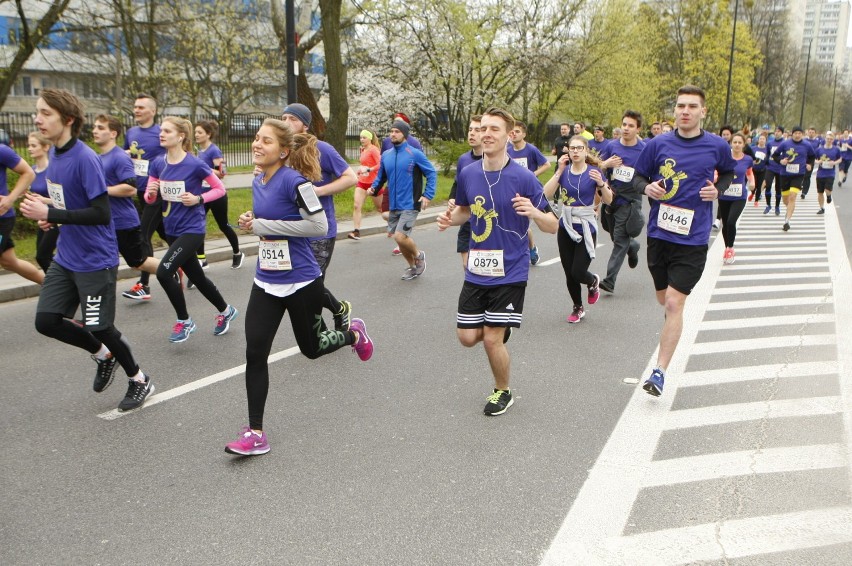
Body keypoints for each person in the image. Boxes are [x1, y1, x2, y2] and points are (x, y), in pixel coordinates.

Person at [224, 119, 373, 456]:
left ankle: (353, 334)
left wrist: (263, 224)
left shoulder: (297, 183)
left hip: (302, 280)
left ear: (283, 151)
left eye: (265, 141)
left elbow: (317, 225)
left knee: (311, 348)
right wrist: (251, 220)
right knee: (255, 352)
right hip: (266, 279)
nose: (257, 145)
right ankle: (256, 432)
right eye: (256, 139)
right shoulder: (258, 178)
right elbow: (269, 216)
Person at [20, 88, 153, 411]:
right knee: (47, 321)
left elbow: (100, 213)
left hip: (95, 259)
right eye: (38, 112)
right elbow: (70, 203)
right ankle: (103, 354)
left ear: (67, 120)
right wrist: (49, 212)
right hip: (67, 257)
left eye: (46, 113)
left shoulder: (85, 158)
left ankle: (139, 379)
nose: (38, 119)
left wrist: (51, 213)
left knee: (99, 325)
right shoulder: (54, 155)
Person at [437, 106, 558, 415]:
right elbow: (465, 211)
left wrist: (533, 213)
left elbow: (552, 224)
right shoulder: (469, 173)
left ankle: (502, 391)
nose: (487, 134)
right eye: (483, 128)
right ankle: (504, 327)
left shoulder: (524, 178)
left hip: (511, 269)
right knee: (467, 338)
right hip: (477, 267)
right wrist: (450, 219)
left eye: (495, 129)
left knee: (491, 340)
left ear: (508, 136)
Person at [632, 85, 736, 397]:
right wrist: (646, 188)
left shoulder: (716, 146)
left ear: (703, 112)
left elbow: (730, 175)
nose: (685, 111)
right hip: (659, 235)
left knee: (675, 302)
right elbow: (638, 177)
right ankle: (671, 323)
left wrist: (717, 190)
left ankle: (659, 372)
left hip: (693, 238)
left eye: (692, 106)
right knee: (664, 300)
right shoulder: (658, 144)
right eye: (680, 106)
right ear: (674, 111)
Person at [143, 117, 238, 343]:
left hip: (192, 229)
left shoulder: (195, 164)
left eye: (167, 131)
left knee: (165, 271)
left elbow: (219, 189)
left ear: (180, 136)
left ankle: (185, 321)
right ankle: (226, 311)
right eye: (161, 130)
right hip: (172, 228)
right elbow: (149, 198)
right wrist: (152, 192)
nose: (161, 134)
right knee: (198, 277)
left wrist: (198, 199)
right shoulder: (158, 163)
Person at [281, 103, 358, 330]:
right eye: (283, 117)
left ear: (305, 125)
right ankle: (337, 311)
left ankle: (321, 328)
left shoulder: (321, 149)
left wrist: (318, 191)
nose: (285, 122)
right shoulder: (280, 151)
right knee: (300, 283)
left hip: (319, 230)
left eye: (292, 119)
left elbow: (350, 177)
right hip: (291, 229)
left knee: (311, 284)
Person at [543, 135, 610, 323]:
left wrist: (601, 184)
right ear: (568, 151)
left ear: (586, 150)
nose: (575, 151)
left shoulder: (594, 172)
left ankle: (592, 281)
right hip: (566, 225)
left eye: (579, 148)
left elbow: (608, 199)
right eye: (572, 148)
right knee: (568, 272)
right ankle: (577, 307)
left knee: (578, 271)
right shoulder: (563, 171)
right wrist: (559, 171)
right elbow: (545, 194)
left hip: (586, 226)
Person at [92, 115, 160, 279]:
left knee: (138, 262)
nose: (95, 131)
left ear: (113, 133)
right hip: (105, 221)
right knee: (102, 261)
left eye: (101, 128)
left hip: (123, 222)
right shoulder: (98, 158)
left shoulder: (119, 157)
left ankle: (169, 270)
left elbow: (130, 188)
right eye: (94, 127)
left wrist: (101, 190)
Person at [371, 119, 437, 281]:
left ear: (405, 135)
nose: (393, 134)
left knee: (400, 236)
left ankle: (418, 255)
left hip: (410, 203)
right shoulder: (386, 155)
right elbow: (381, 176)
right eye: (391, 131)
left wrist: (428, 195)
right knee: (399, 240)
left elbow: (431, 173)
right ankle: (413, 267)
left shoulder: (414, 153)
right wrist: (374, 188)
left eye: (397, 132)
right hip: (394, 204)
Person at [122, 94, 166, 300]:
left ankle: (144, 285)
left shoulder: (160, 133)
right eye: (135, 107)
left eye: (141, 107)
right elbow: (126, 155)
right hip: (138, 191)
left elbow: (176, 157)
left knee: (143, 235)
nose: (136, 110)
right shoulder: (131, 132)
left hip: (155, 192)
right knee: (167, 233)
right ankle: (186, 260)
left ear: (153, 111)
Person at [598, 110, 646, 294]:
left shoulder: (643, 150)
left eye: (631, 126)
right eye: (624, 124)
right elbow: (597, 167)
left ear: (638, 129)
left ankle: (609, 280)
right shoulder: (611, 147)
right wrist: (606, 164)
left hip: (631, 200)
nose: (626, 128)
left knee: (619, 240)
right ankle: (633, 246)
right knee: (611, 231)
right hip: (611, 197)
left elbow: (648, 175)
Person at [194, 119, 245, 270]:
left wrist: (204, 169)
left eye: (199, 132)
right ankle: (202, 259)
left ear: (208, 134)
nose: (196, 135)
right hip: (202, 194)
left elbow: (222, 173)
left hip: (216, 194)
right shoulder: (200, 151)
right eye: (195, 132)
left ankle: (237, 253)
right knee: (198, 225)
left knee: (223, 225)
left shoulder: (214, 150)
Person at [1, 133, 43, 284]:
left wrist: (10, 199)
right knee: (9, 262)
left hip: (1, 218)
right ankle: (55, 289)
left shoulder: (2, 150)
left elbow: (28, 173)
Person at [507, 120, 548, 265]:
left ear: (524, 134)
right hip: (510, 191)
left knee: (523, 225)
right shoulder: (507, 150)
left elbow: (547, 164)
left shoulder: (531, 150)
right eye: (512, 132)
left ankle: (531, 248)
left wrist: (532, 175)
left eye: (517, 131)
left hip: (526, 193)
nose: (514, 134)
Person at [448, 115, 483, 269]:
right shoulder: (463, 159)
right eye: (470, 130)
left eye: (477, 130)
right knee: (467, 266)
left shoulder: (494, 159)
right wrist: (452, 198)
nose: (472, 133)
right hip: (467, 219)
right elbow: (458, 183)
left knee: (483, 270)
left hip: (486, 221)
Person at [771, 126, 816, 232]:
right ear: (792, 134)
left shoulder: (807, 145)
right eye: (795, 133)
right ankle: (789, 209)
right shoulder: (785, 144)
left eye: (799, 133)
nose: (797, 135)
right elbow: (775, 155)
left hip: (799, 174)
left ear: (802, 134)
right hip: (785, 174)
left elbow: (812, 156)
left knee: (792, 196)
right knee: (785, 200)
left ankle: (787, 221)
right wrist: (781, 161)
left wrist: (809, 164)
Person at [719, 133, 754, 264]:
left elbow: (749, 173)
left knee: (731, 222)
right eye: (735, 142)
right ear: (731, 144)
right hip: (724, 195)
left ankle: (730, 248)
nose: (737, 145)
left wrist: (752, 182)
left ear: (744, 145)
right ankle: (726, 246)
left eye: (740, 142)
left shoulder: (748, 159)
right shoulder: (724, 158)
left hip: (739, 196)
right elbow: (717, 172)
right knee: (725, 223)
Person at [27, 131, 59, 274]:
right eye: (29, 145)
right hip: (42, 219)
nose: (29, 148)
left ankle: (61, 285)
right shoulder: (32, 171)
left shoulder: (53, 170)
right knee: (42, 257)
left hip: (55, 217)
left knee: (43, 256)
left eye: (34, 145)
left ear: (46, 147)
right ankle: (63, 284)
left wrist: (43, 200)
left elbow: (65, 198)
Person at [349, 129, 383, 240]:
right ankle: (356, 231)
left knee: (381, 209)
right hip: (362, 183)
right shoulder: (362, 149)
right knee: (356, 206)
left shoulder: (374, 150)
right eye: (361, 137)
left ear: (370, 139)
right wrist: (360, 171)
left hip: (374, 183)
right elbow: (364, 164)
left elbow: (380, 164)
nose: (361, 139)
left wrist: (370, 169)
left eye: (364, 137)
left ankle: (394, 224)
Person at [815, 131, 842, 214]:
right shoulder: (819, 149)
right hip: (820, 173)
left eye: (831, 139)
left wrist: (834, 163)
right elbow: (815, 159)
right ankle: (821, 208)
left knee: (827, 189)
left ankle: (828, 196)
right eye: (828, 139)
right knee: (820, 192)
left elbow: (840, 159)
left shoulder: (836, 149)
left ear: (833, 140)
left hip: (830, 173)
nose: (829, 140)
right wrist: (818, 161)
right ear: (825, 139)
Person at [763, 126, 785, 215]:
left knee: (778, 188)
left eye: (779, 131)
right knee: (768, 185)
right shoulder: (770, 143)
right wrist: (766, 161)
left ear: (782, 133)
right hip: (770, 167)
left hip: (780, 168)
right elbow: (767, 153)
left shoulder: (785, 143)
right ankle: (768, 205)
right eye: (775, 131)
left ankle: (777, 206)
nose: (776, 133)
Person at [749, 133, 769, 207]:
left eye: (763, 139)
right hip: (754, 169)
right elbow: (749, 157)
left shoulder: (767, 149)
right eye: (760, 139)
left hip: (763, 170)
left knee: (760, 185)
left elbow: (769, 160)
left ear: (765, 141)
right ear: (758, 140)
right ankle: (752, 193)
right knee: (754, 184)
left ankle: (756, 200)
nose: (762, 140)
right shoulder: (753, 148)